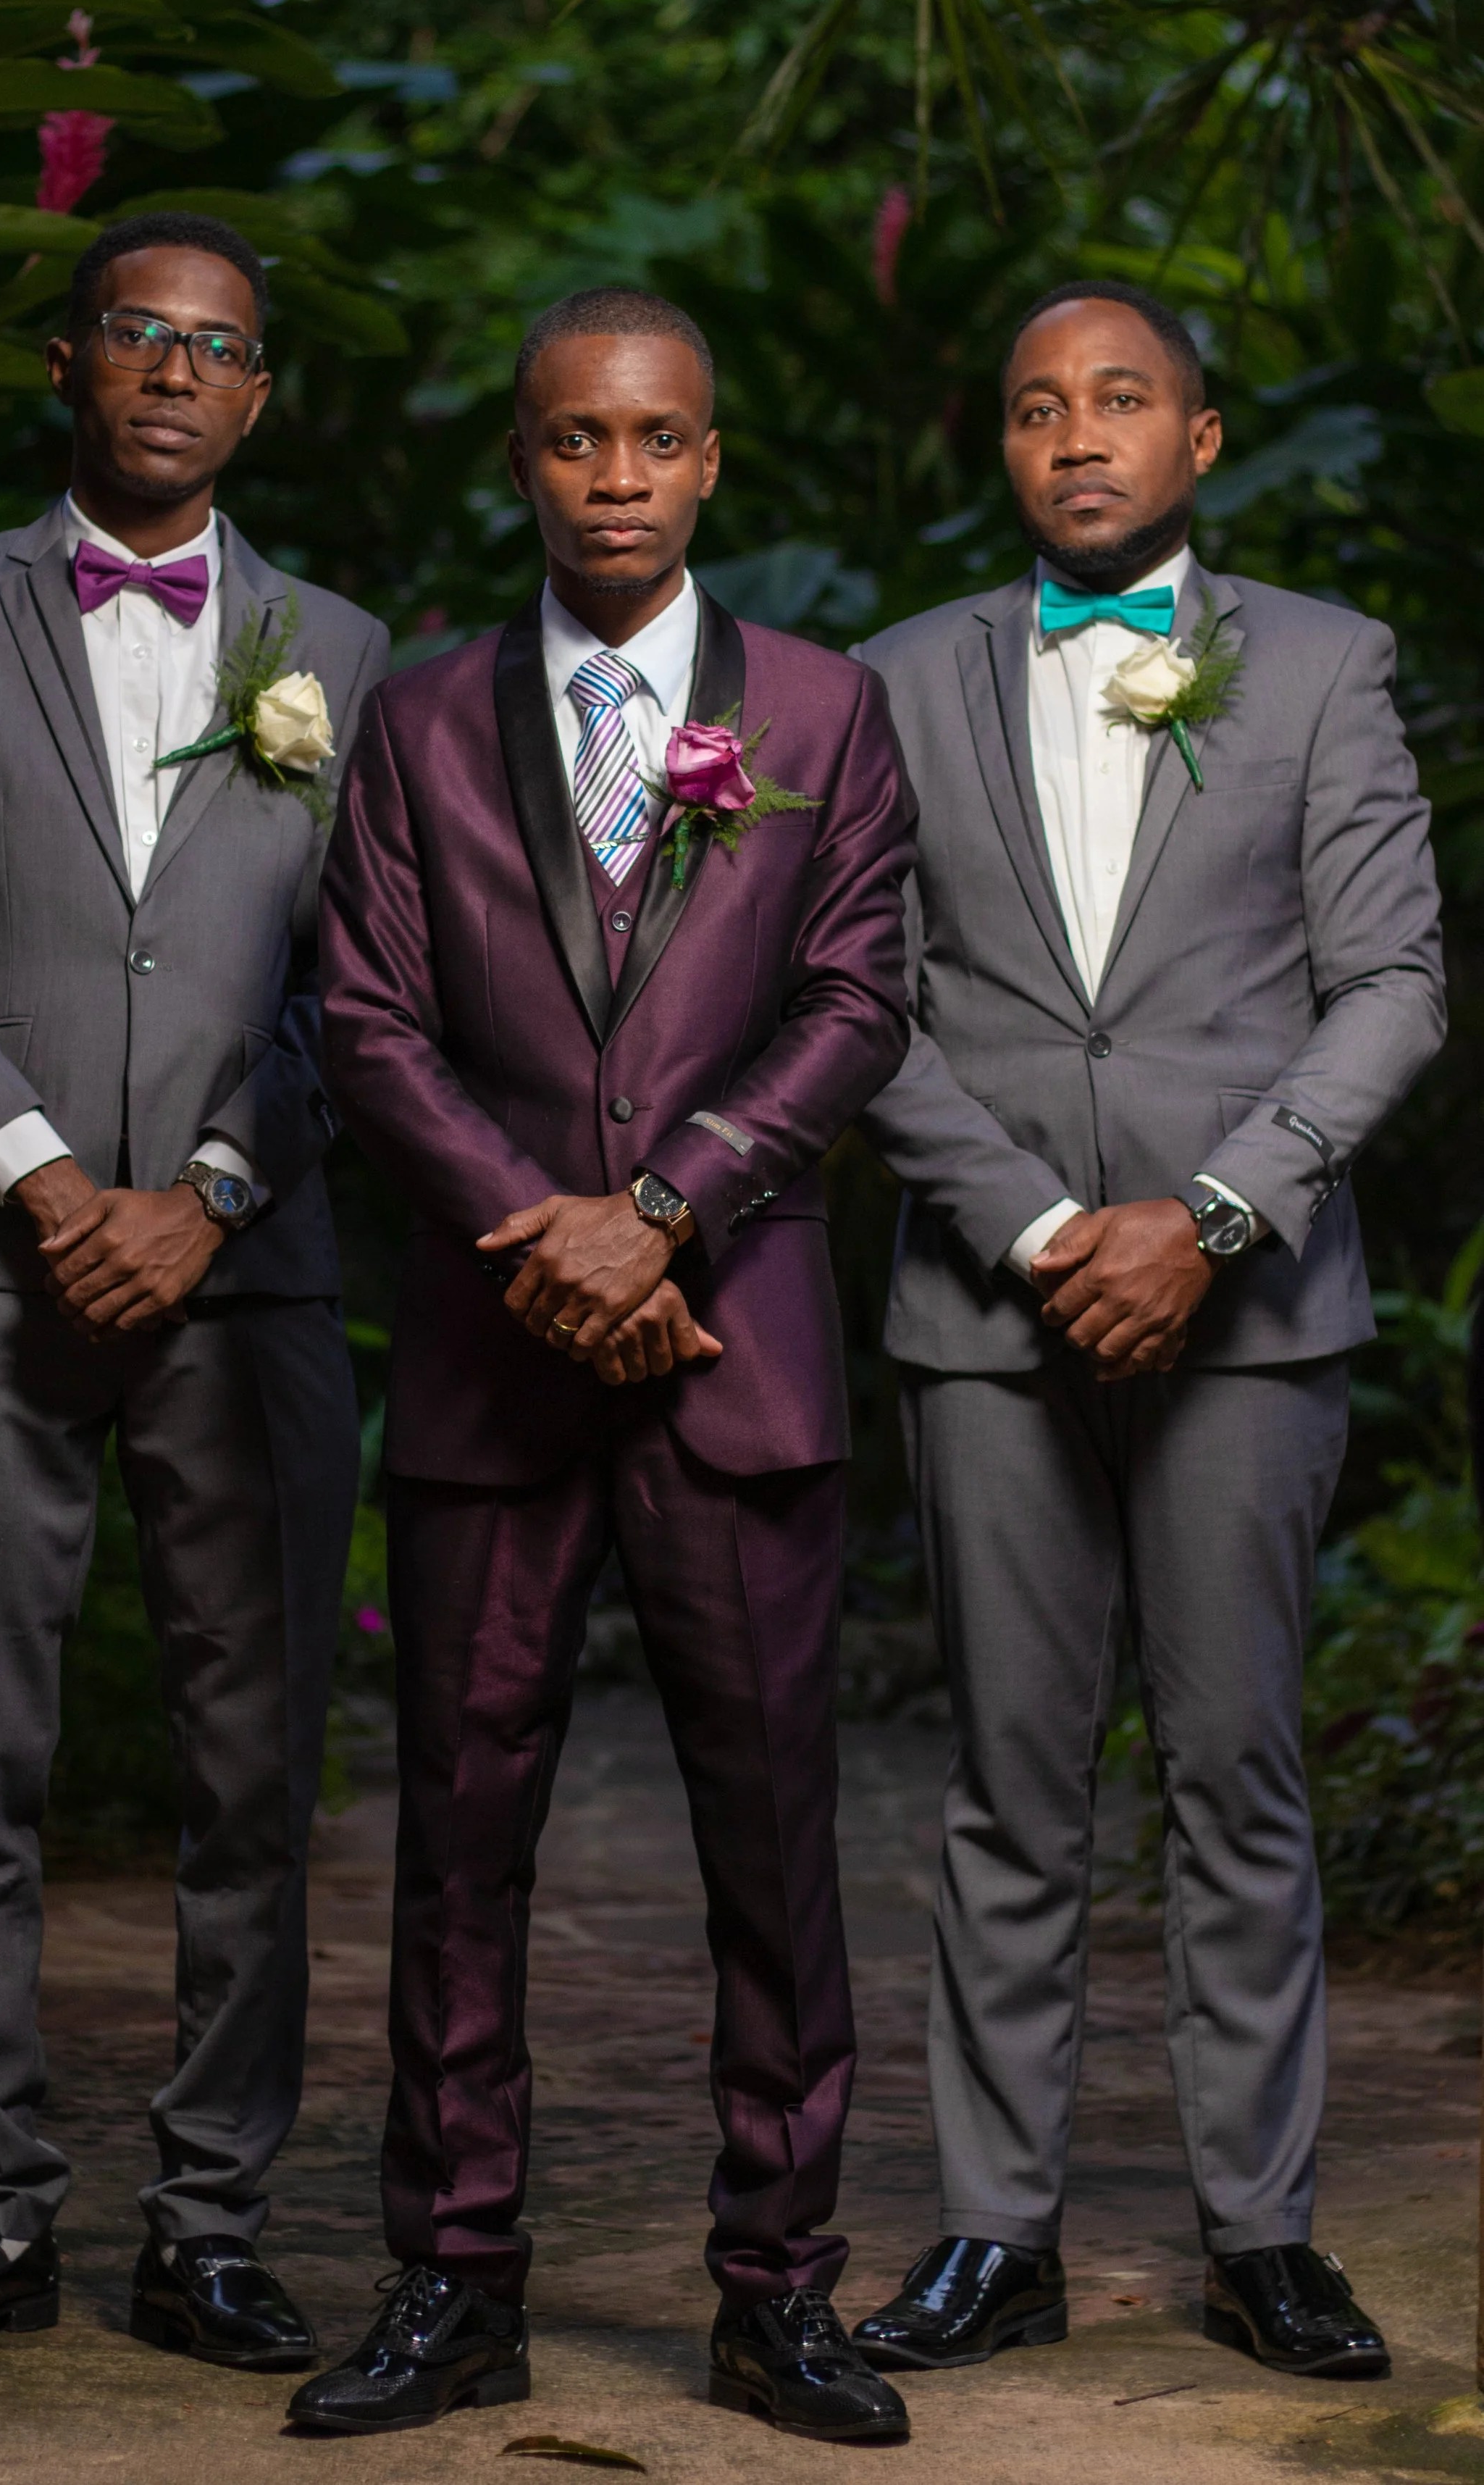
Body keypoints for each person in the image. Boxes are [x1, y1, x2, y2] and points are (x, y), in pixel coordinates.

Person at [298, 288, 918, 2443]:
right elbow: (367, 1017)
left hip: (728, 1354)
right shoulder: (416, 715)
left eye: (655, 439)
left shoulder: (826, 710)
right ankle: (453, 2277)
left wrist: (658, 1215)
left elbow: (856, 999)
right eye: (575, 441)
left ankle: (778, 2288)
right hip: (494, 1365)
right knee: (457, 1847)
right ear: (525, 465)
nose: (617, 477)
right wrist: (535, 1231)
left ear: (712, 459)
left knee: (775, 1848)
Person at [849, 280, 1443, 2382]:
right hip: (987, 1311)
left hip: (1246, 1313)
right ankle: (989, 2230)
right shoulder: (898, 681)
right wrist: (1029, 1225)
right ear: (1000, 451)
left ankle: (1257, 2229)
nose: (1075, 435)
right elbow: (860, 1002)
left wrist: (1206, 1215)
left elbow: (1391, 985)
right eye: (1034, 408)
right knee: (1007, 1782)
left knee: (1233, 1770)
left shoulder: (1323, 665)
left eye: (1119, 401)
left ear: (1199, 440)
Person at [0, 212, 387, 2371]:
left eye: (215, 345)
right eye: (136, 332)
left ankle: (210, 2222)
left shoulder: (341, 639)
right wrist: (50, 1179)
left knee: (251, 1769)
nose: (172, 367)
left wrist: (212, 1187)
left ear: (258, 395)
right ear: (72, 362)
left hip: (246, 1285)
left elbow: (368, 976)